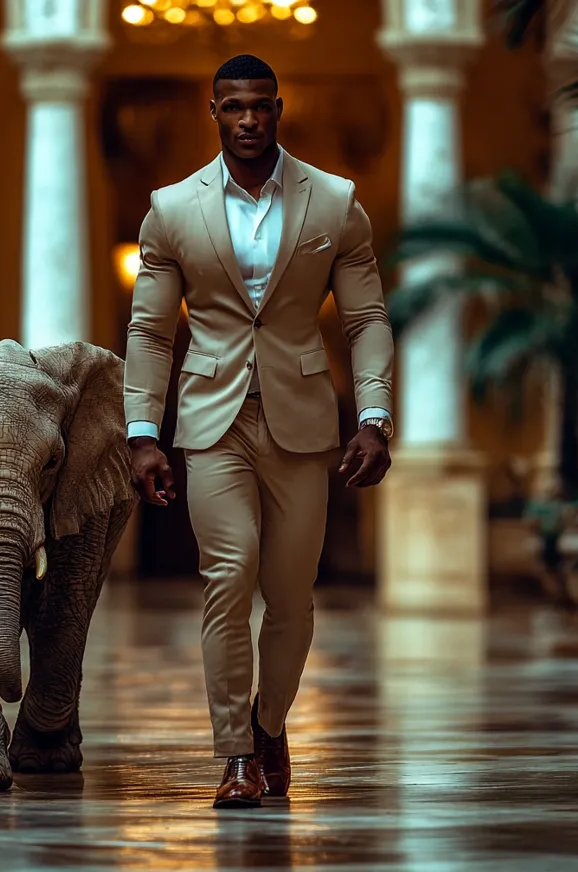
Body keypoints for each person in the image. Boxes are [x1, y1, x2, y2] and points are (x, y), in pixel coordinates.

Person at [123, 54, 394, 809]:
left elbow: (368, 318)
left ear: (279, 109)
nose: (248, 120)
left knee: (292, 596)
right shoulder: (172, 209)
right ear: (213, 112)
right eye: (233, 107)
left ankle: (269, 723)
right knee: (228, 576)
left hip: (304, 420)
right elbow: (148, 330)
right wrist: (143, 431)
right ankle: (235, 754)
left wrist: (372, 415)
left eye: (261, 107)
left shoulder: (335, 203)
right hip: (211, 419)